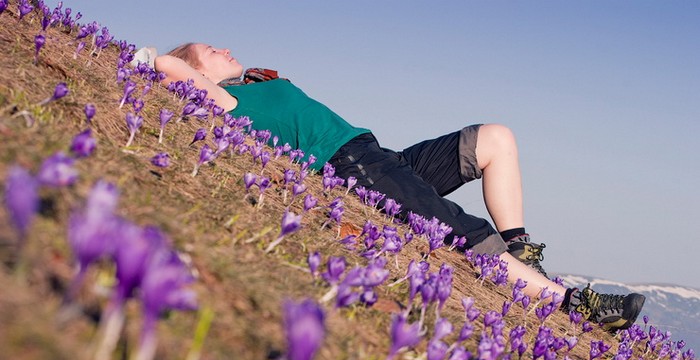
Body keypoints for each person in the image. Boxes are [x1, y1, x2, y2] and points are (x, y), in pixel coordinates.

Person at [153, 43, 645, 332]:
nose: (224, 49)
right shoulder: (224, 99)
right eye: (210, 49)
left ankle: (521, 248)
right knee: (460, 229)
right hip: (349, 169)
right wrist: (150, 57)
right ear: (199, 72)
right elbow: (166, 68)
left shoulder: (254, 85)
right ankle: (570, 304)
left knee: (493, 139)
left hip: (377, 157)